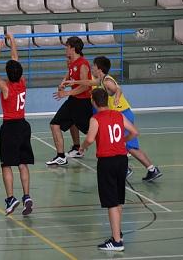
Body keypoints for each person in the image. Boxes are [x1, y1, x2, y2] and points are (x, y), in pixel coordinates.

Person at [64, 56, 162, 182]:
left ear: (99, 69)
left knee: (128, 146)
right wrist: (75, 82)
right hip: (121, 114)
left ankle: (139, 169)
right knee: (123, 145)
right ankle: (150, 169)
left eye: (94, 66)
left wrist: (117, 96)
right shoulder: (102, 79)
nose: (92, 68)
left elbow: (117, 89)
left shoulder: (106, 81)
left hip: (123, 113)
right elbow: (89, 82)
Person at [79, 88, 138, 252]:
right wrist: (123, 141)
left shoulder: (95, 119)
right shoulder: (118, 115)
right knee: (118, 199)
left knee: (111, 201)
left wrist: (82, 147)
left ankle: (117, 242)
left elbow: (90, 139)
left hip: (107, 162)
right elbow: (134, 132)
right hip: (122, 160)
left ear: (93, 102)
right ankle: (117, 233)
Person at [0, 33, 34, 216]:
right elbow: (15, 59)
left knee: (6, 165)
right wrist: (12, 41)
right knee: (23, 164)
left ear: (7, 74)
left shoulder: (5, 87)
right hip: (23, 125)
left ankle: (11, 198)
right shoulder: (22, 83)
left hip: (10, 127)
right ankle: (27, 196)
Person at [46, 36, 93, 166]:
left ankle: (121, 146)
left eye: (67, 46)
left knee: (94, 131)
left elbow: (85, 86)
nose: (65, 49)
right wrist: (63, 83)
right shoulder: (72, 62)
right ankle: (74, 149)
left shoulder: (83, 64)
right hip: (74, 100)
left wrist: (66, 93)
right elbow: (70, 74)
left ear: (72, 48)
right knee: (66, 123)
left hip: (82, 103)